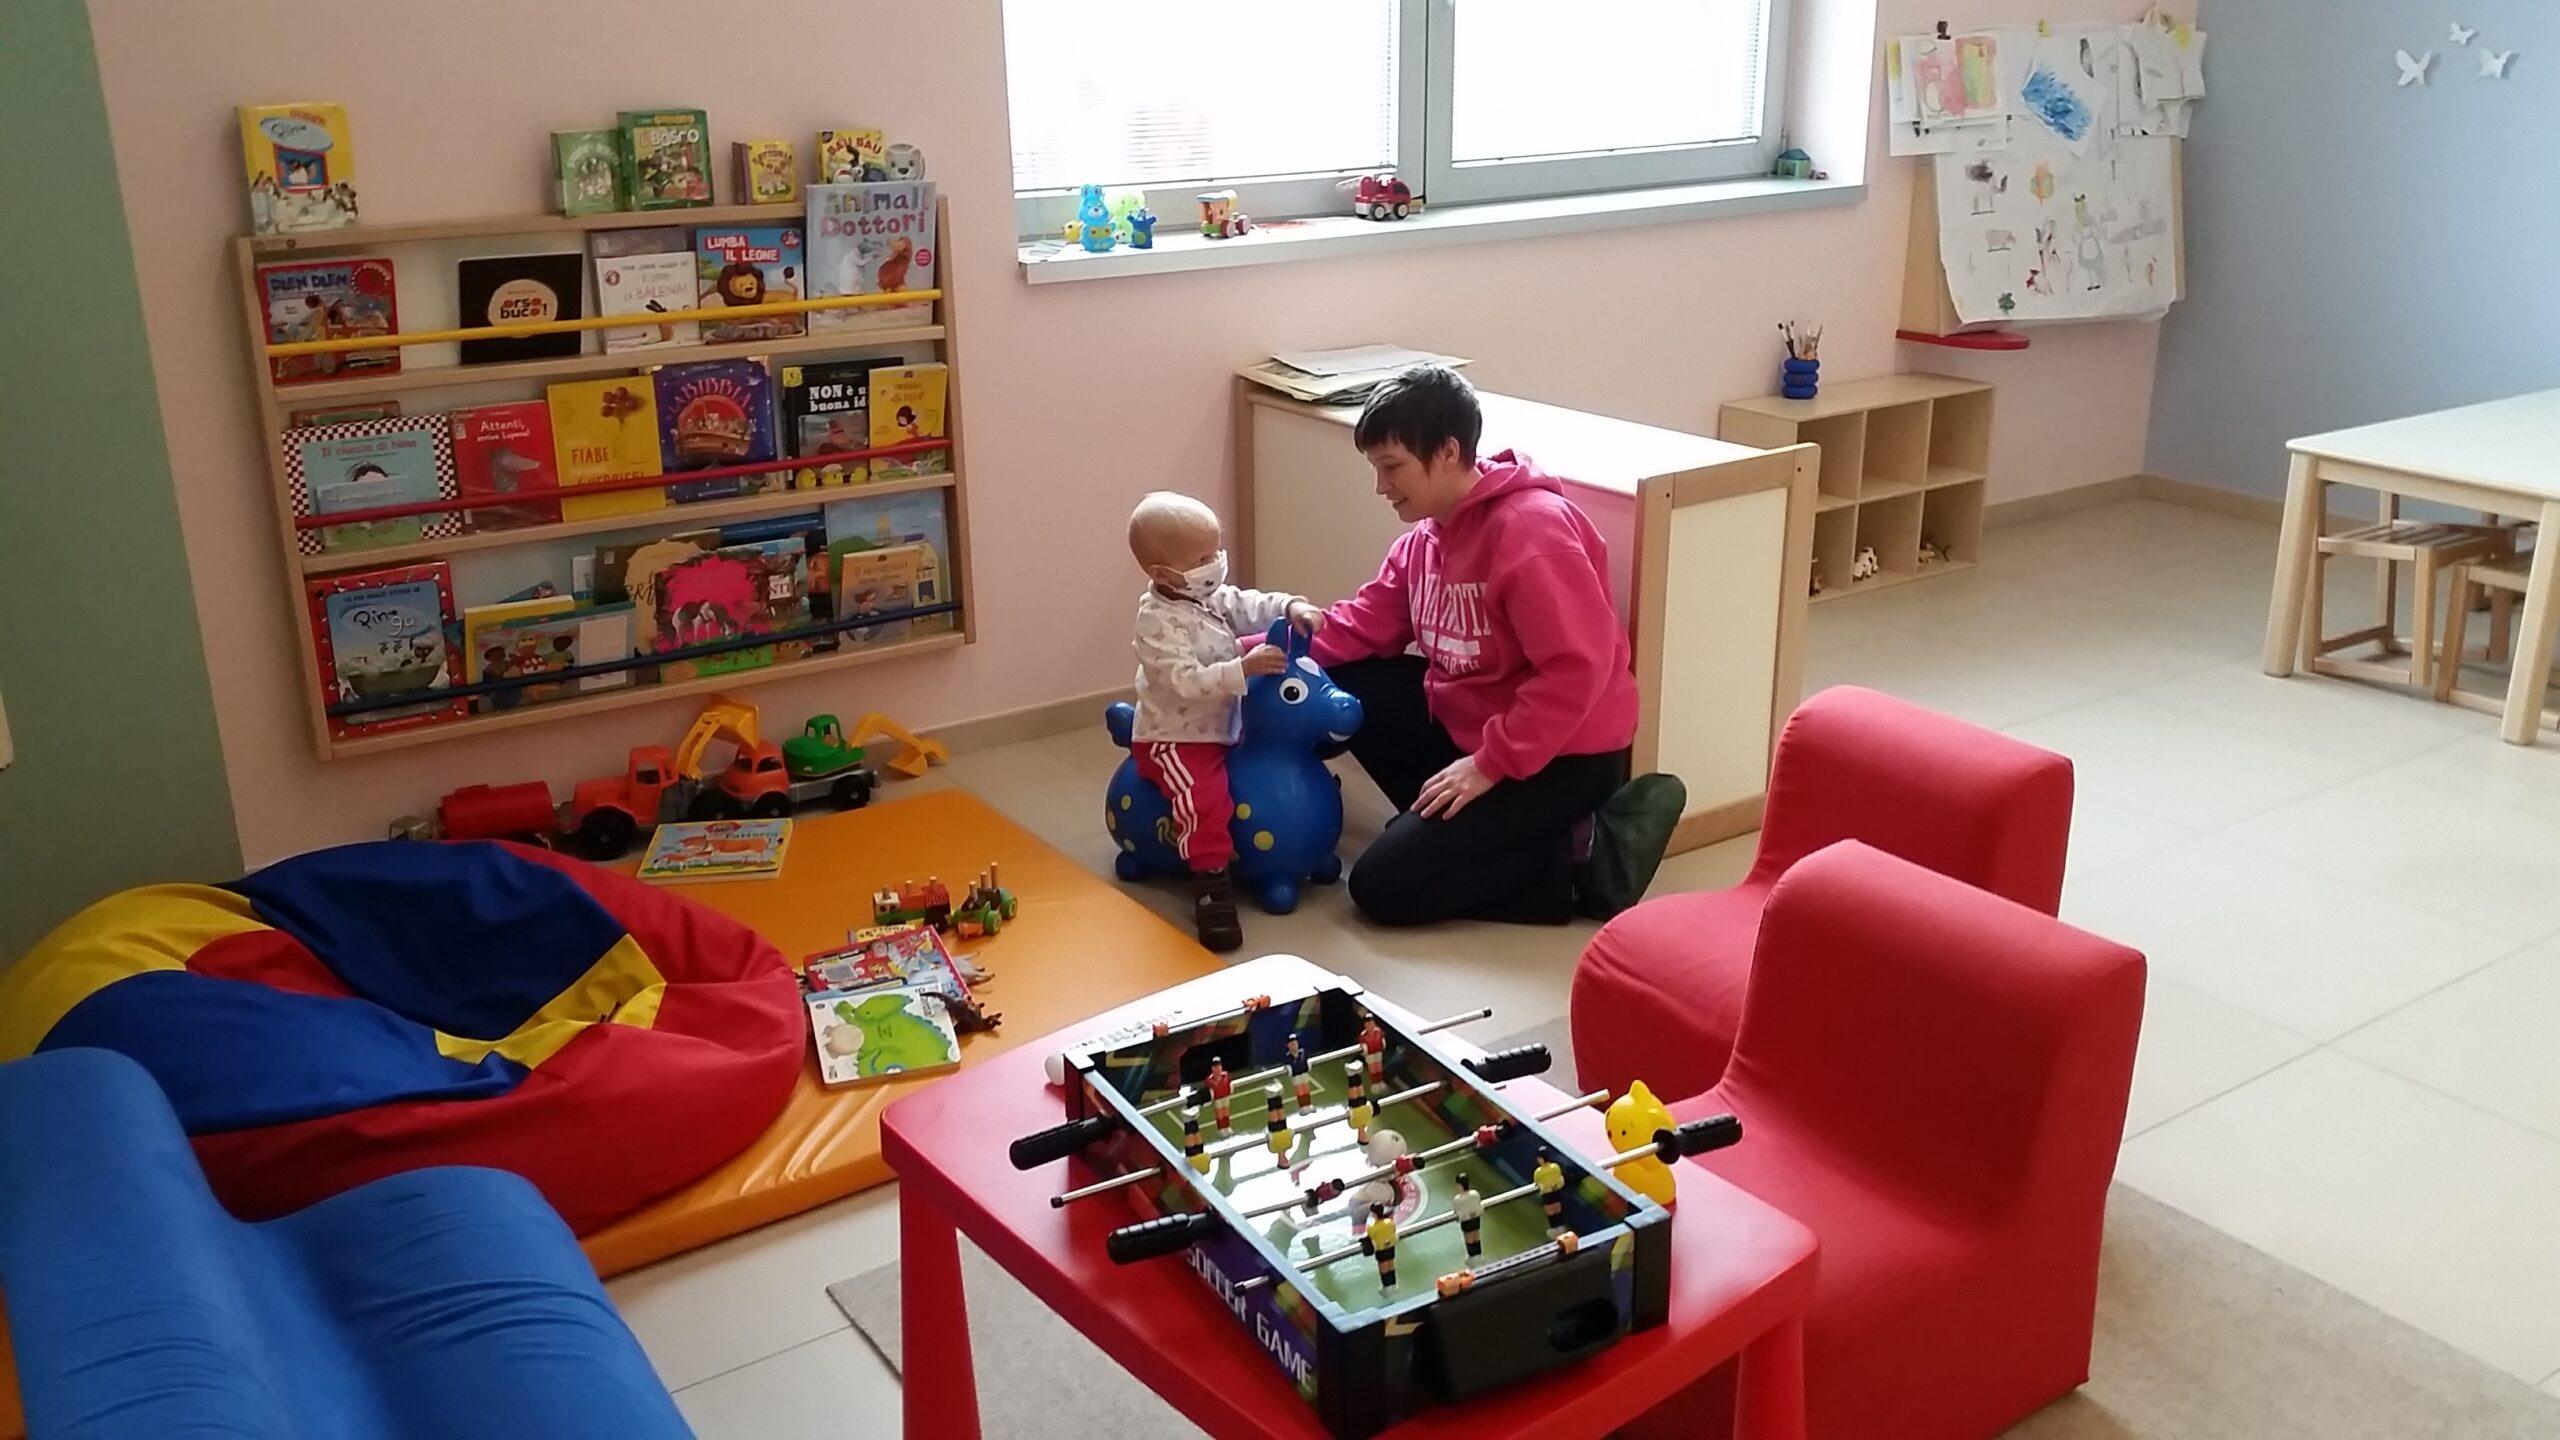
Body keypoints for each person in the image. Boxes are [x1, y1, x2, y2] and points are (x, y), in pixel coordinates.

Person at [1309, 365, 1685, 927]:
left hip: (1561, 756)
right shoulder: (1424, 538)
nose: (1381, 486)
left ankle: (1587, 855)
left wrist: (1490, 764)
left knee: (1379, 885)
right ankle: (1463, 838)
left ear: (1447, 451)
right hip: (1477, 731)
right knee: (1343, 682)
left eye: (1392, 467)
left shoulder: (1532, 530)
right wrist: (1244, 653)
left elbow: (1575, 671)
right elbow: (1360, 627)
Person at [1127, 492, 1323, 951]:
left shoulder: (1206, 596)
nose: (1215, 564)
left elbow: (1248, 605)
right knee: (1205, 799)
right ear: (1162, 573)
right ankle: (1211, 882)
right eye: (1202, 559)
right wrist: (1242, 669)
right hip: (1175, 738)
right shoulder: (1156, 622)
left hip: (1222, 723)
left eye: (1215, 551)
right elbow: (1183, 681)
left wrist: (1290, 606)